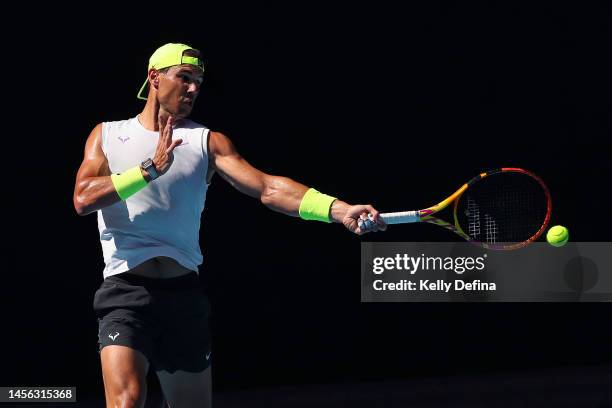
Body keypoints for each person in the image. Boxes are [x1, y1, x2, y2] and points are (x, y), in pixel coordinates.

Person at [73, 42, 386, 408]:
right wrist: (147, 170)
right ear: (154, 78)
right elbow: (83, 198)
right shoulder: (108, 135)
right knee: (127, 401)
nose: (193, 89)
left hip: (183, 297)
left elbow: (268, 187)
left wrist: (337, 209)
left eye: (199, 82)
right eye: (185, 78)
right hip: (125, 294)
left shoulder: (208, 142)